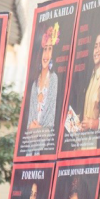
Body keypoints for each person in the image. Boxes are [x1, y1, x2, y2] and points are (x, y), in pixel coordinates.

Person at [26, 24, 59, 154]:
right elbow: (29, 125)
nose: (46, 55)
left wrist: (38, 130)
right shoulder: (34, 81)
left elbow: (50, 122)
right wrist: (33, 130)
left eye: (50, 49)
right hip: (30, 147)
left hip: (45, 147)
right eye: (44, 49)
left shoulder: (53, 79)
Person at [76, 33, 100, 143]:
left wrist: (92, 123)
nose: (97, 50)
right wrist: (76, 122)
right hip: (79, 143)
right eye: (95, 46)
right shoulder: (88, 77)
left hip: (92, 144)